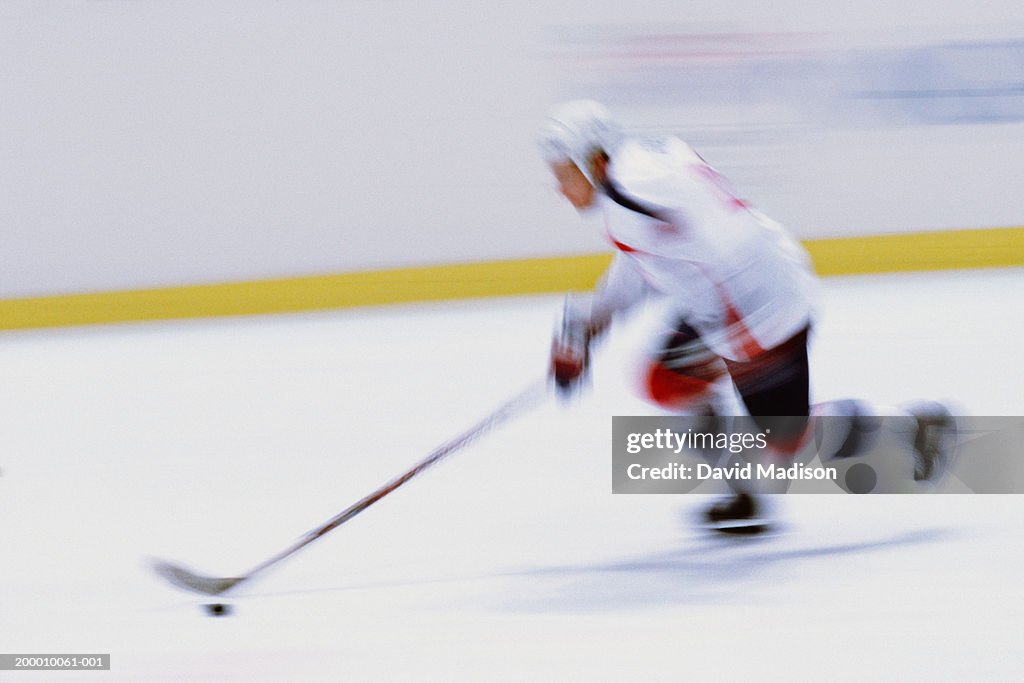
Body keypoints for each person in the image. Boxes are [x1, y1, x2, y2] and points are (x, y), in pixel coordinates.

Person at [538, 100, 954, 532]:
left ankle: (911, 429)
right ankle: (746, 488)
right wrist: (589, 323)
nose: (560, 188)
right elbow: (646, 259)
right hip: (736, 305)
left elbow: (719, 235)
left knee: (785, 442)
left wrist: (744, 333)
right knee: (668, 383)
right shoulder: (632, 176)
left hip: (761, 310)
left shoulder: (633, 189)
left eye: (565, 174)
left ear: (595, 161)